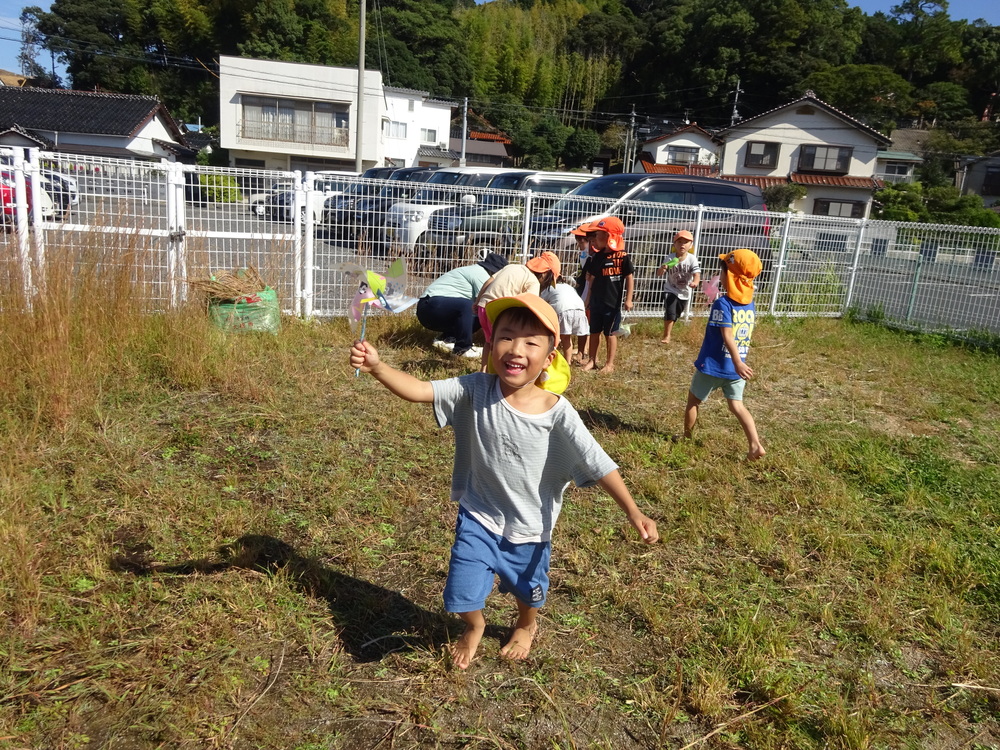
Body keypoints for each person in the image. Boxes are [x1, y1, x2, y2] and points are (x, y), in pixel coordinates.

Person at [350, 293, 659, 669]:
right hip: (478, 515)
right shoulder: (475, 388)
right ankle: (474, 627)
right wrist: (379, 368)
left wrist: (633, 511)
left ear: (549, 358)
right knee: (460, 593)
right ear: (491, 344)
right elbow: (420, 390)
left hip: (530, 528)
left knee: (528, 592)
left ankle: (526, 625)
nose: (515, 348)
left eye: (531, 342)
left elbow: (597, 462)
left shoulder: (557, 413)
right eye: (506, 336)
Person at [684, 248, 765, 461]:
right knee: (737, 406)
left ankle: (686, 438)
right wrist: (738, 364)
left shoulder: (723, 303)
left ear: (728, 275)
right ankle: (755, 444)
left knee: (693, 402)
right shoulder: (750, 304)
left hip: (714, 365)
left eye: (722, 270)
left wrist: (737, 361)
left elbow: (727, 335)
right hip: (736, 370)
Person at [473, 252, 560, 371]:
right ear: (545, 274)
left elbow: (489, 281)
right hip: (499, 311)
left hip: (484, 307)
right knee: (500, 343)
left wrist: (478, 301)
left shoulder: (511, 267)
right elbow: (532, 305)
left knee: (489, 342)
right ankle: (495, 373)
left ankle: (483, 370)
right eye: (549, 281)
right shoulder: (533, 281)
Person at [416, 252, 507, 359]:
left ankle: (447, 339)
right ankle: (462, 349)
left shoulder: (475, 270)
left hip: (429, 309)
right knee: (469, 306)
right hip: (430, 306)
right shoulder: (481, 274)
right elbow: (488, 302)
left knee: (475, 315)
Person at [580, 217, 634, 374]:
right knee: (594, 331)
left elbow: (629, 277)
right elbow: (592, 280)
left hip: (612, 303)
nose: (595, 239)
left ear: (609, 236)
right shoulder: (597, 257)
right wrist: (588, 299)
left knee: (610, 333)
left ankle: (609, 364)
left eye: (598, 235)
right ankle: (592, 360)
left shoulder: (622, 256)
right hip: (597, 301)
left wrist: (628, 299)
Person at [655, 230, 702, 345]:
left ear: (690, 245)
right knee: (670, 311)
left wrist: (695, 282)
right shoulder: (670, 258)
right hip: (670, 289)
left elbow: (697, 274)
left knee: (676, 313)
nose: (682, 244)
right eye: (679, 242)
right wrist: (663, 268)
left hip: (684, 292)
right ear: (674, 244)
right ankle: (667, 335)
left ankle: (670, 327)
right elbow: (659, 273)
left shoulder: (692, 259)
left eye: (686, 242)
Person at [542, 273, 589, 364]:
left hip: (564, 310)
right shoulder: (569, 287)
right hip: (580, 309)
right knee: (582, 333)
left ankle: (566, 361)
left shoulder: (549, 288)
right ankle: (580, 353)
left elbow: (540, 301)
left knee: (565, 338)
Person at [570, 225, 594, 363]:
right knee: (584, 319)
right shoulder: (584, 253)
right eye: (577, 240)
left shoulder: (591, 255)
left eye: (581, 241)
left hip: (588, 292)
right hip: (583, 289)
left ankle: (585, 350)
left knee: (588, 321)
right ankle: (581, 349)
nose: (579, 243)